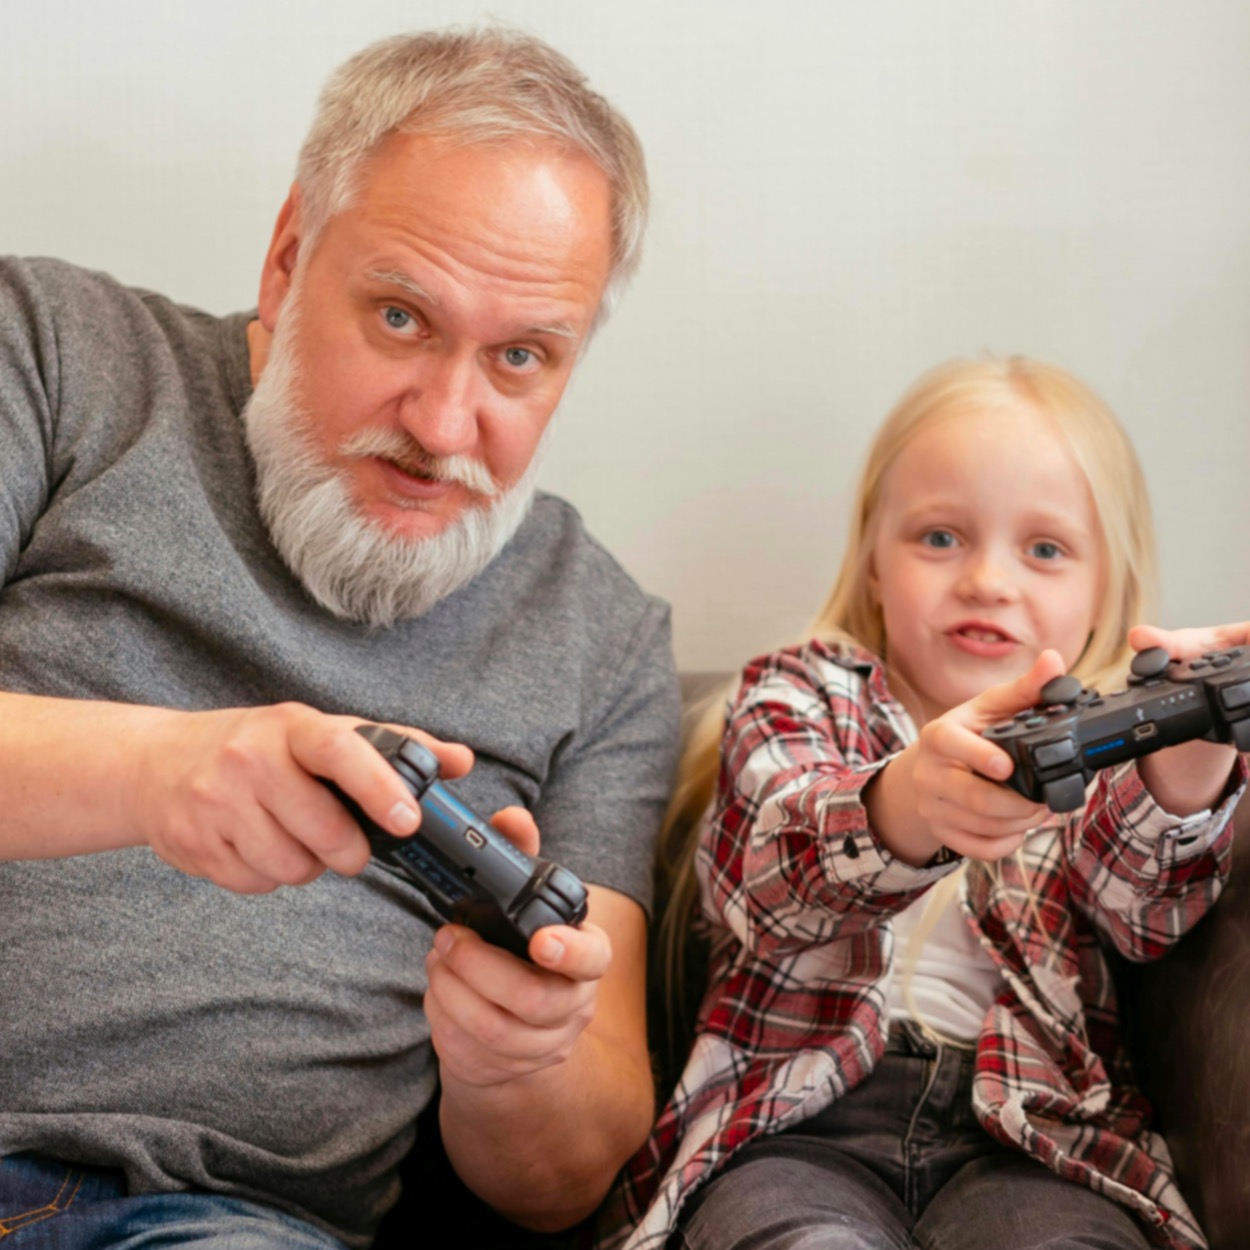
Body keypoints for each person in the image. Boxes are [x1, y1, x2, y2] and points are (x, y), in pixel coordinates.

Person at [0, 27, 679, 1250]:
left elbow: (571, 1174)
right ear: (287, 257)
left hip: (219, 1226)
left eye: (520, 356)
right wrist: (157, 774)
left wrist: (515, 1059)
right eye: (403, 318)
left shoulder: (602, 636)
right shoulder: (56, 354)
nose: (443, 421)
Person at [601, 357, 1248, 1250]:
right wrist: (905, 804)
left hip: (1038, 1140)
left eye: (1045, 549)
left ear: (1106, 588)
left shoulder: (1106, 744)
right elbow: (765, 876)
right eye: (940, 538)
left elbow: (1145, 913)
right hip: (797, 1124)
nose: (986, 579)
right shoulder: (801, 691)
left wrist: (1189, 769)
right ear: (872, 562)